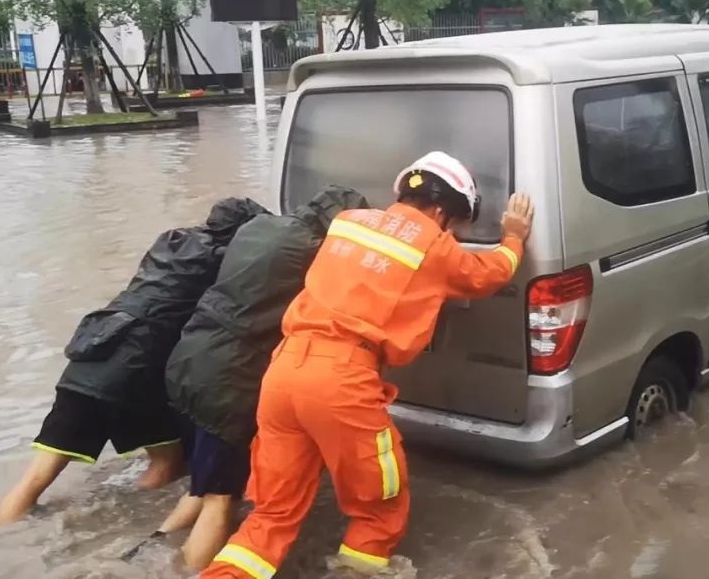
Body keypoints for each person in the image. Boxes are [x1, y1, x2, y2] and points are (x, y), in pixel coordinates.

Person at [202, 151, 535, 578]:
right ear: (441, 212)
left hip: (283, 371)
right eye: (455, 223)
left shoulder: (347, 222)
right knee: (381, 505)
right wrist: (514, 236)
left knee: (272, 514)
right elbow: (488, 274)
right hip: (341, 379)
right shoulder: (434, 244)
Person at [0, 198, 267, 525]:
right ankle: (135, 522)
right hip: (135, 372)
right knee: (168, 462)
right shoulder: (222, 261)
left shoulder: (171, 240)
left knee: (35, 479)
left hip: (91, 355)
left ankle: (1, 536)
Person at [144, 186, 370, 571]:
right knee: (221, 496)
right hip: (228, 379)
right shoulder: (315, 252)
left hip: (188, 358)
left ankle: (149, 553)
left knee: (202, 481)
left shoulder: (258, 225)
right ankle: (192, 569)